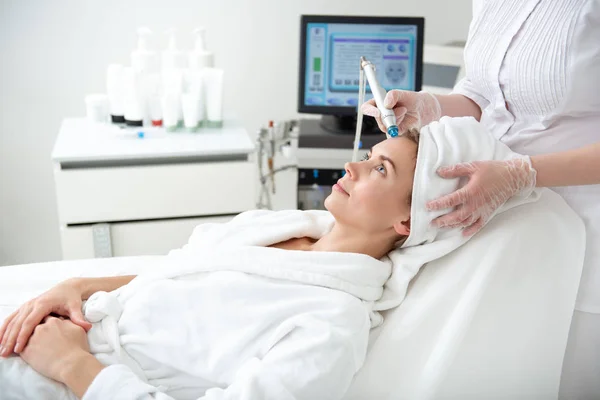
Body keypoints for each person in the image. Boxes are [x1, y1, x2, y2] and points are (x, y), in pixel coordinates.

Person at [0, 135, 419, 400]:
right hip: (68, 326)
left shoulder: (333, 324)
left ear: (407, 223)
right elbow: (184, 269)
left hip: (70, 377)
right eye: (369, 154)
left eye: (380, 169)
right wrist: (78, 286)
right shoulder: (281, 226)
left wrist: (70, 364)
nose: (352, 166)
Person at [362, 1, 600, 398]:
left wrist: (523, 173)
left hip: (585, 225)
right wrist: (431, 106)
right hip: (495, 212)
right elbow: (483, 93)